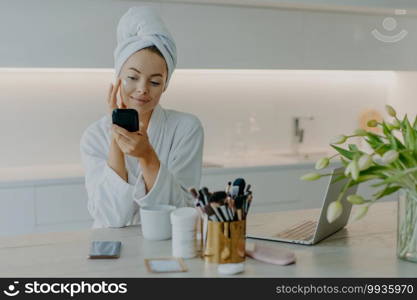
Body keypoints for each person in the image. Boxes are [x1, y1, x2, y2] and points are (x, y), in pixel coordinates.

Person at [80, 6, 204, 228]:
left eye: (155, 82)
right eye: (132, 77)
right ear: (118, 77)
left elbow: (183, 211)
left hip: (166, 246)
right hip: (111, 250)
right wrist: (115, 137)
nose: (142, 89)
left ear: (165, 85)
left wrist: (147, 156)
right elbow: (110, 218)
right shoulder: (93, 136)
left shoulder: (186, 128)